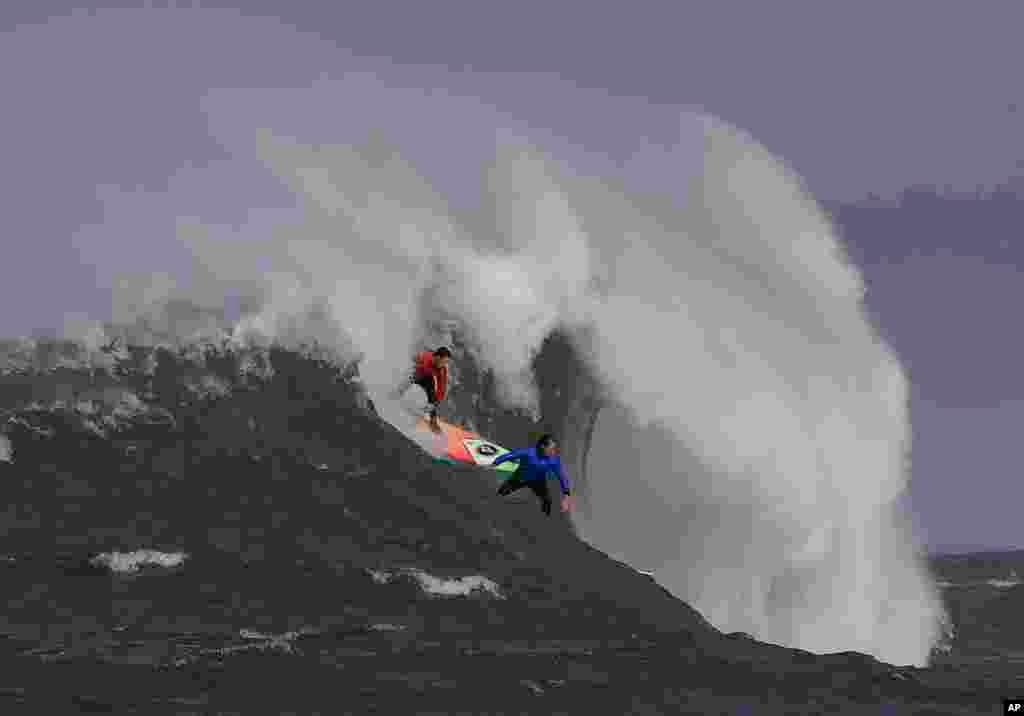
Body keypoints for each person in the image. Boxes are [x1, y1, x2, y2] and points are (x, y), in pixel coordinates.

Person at [493, 434, 573, 516]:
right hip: (520, 478)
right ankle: (493, 505)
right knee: (501, 492)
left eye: (555, 449)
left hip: (538, 482)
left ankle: (545, 517)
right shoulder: (528, 452)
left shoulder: (553, 461)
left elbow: (562, 477)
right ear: (543, 447)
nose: (554, 452)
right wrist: (496, 461)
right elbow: (511, 455)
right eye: (551, 449)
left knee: (547, 501)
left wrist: (566, 495)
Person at [392, 346, 452, 432]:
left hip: (427, 381)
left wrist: (435, 403)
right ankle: (396, 394)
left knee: (432, 388)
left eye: (446, 362)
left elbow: (442, 387)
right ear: (438, 357)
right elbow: (413, 362)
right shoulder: (426, 357)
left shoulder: (442, 369)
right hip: (417, 374)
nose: (445, 364)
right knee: (413, 376)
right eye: (444, 361)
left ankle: (433, 421)